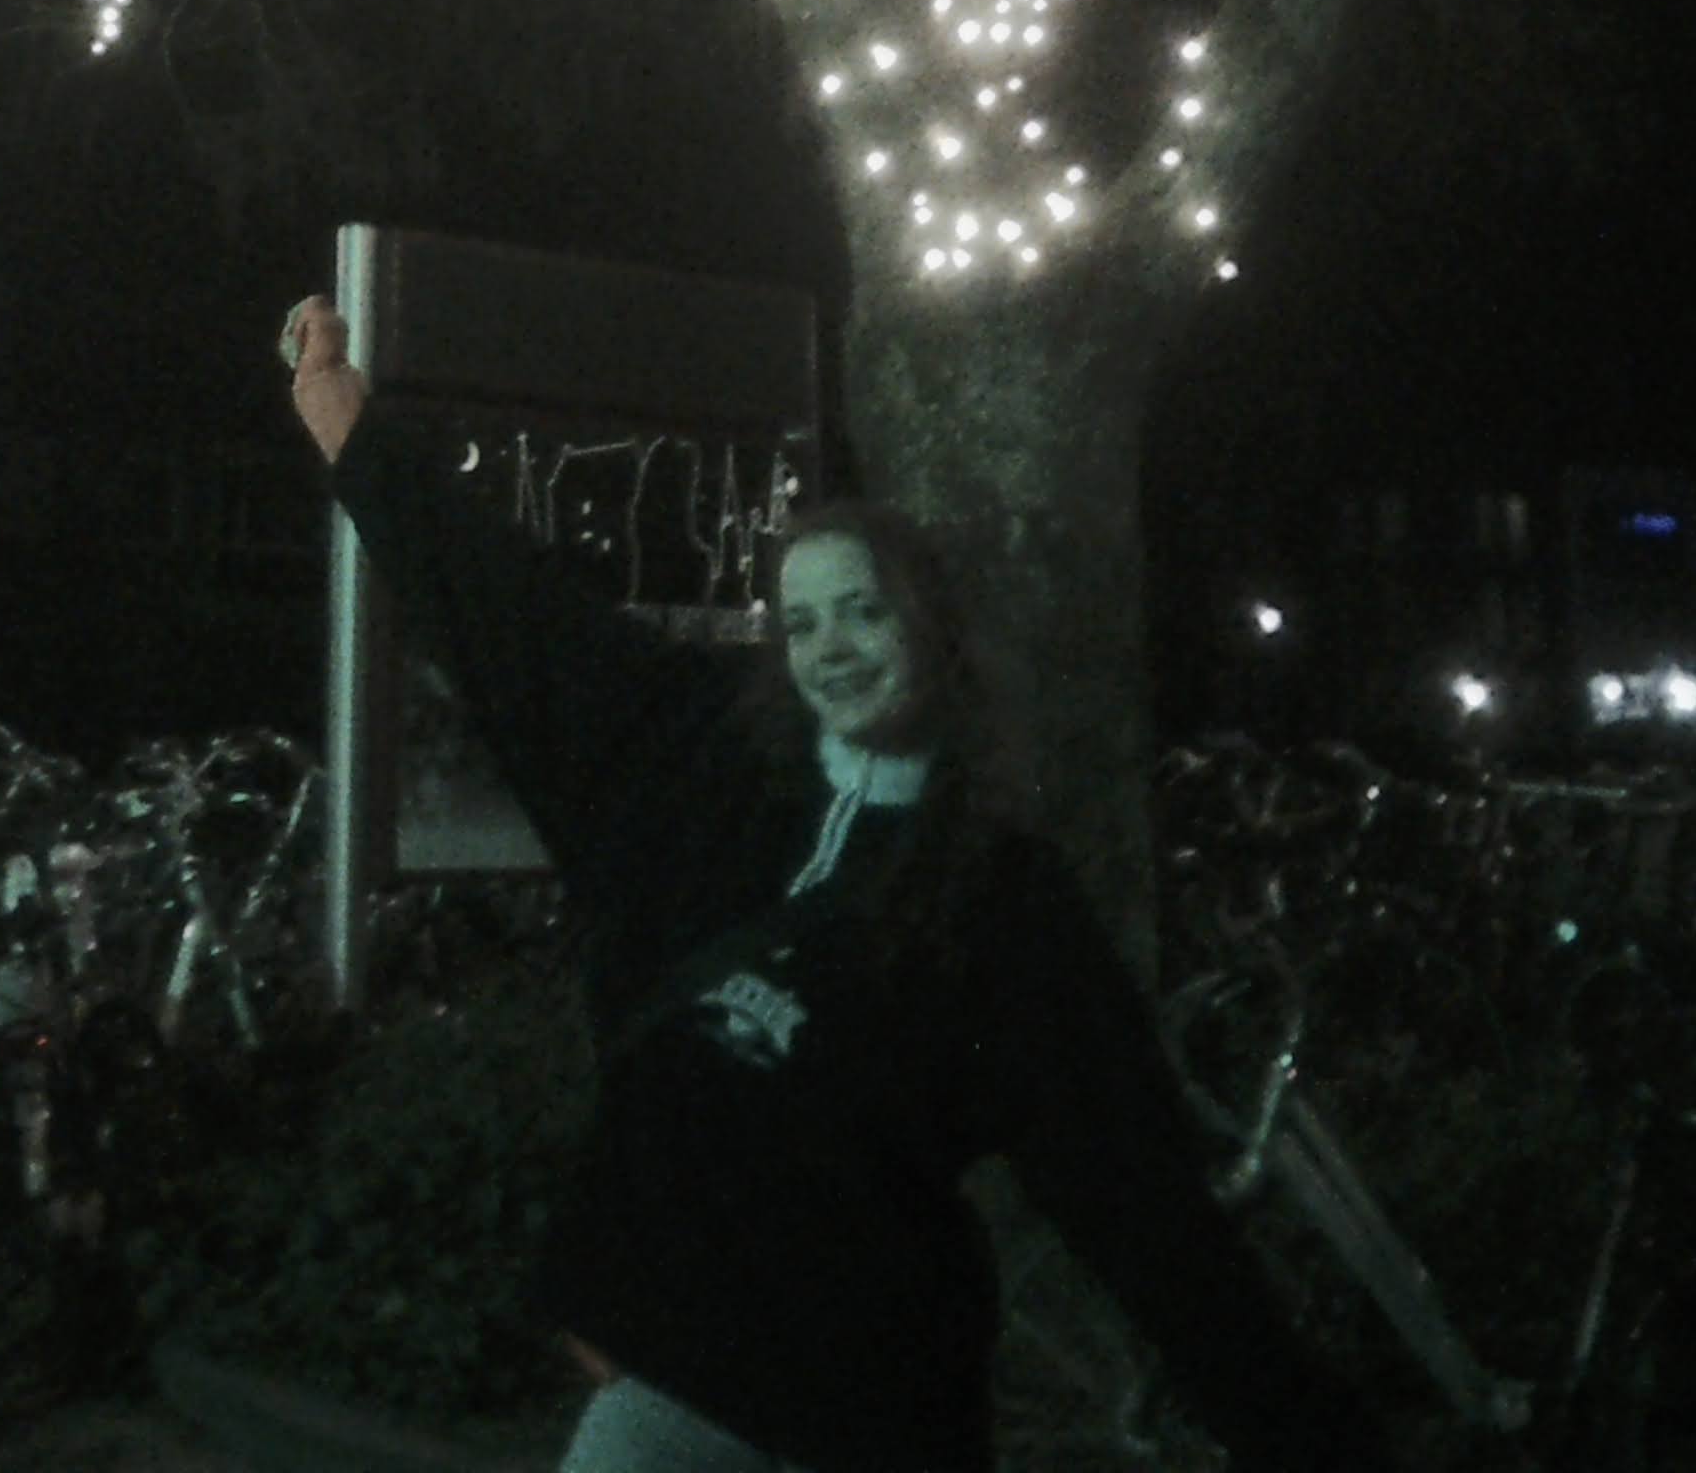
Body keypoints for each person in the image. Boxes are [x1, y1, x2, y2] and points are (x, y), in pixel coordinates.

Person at [279, 296, 1390, 1473]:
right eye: (803, 621)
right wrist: (354, 438)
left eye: (865, 610)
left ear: (929, 630)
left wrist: (1306, 1438)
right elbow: (521, 617)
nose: (835, 647)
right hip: (677, 1389)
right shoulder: (706, 778)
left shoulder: (1002, 898)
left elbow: (1144, 1208)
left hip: (870, 1410)